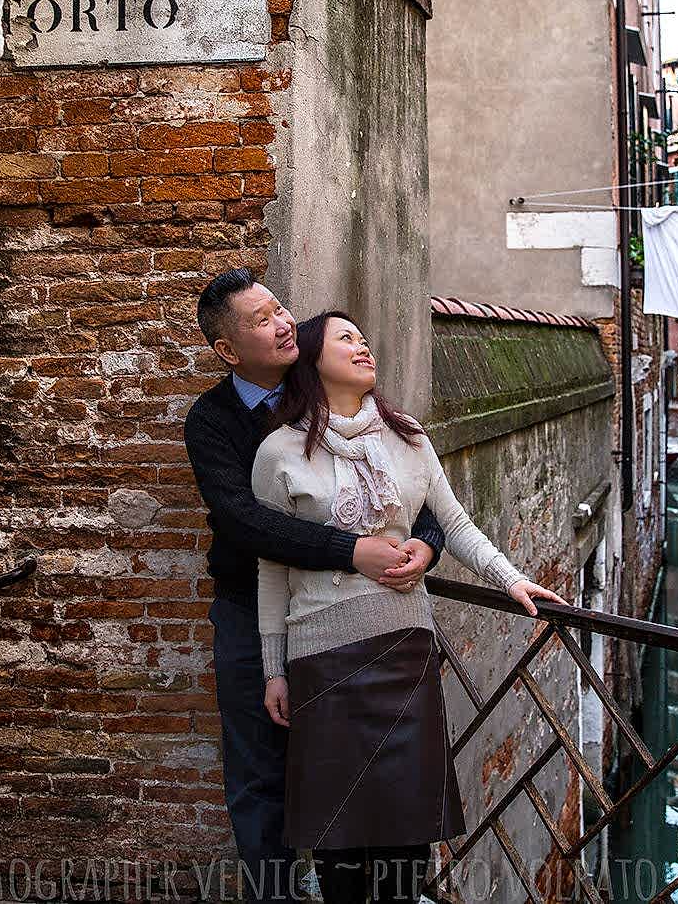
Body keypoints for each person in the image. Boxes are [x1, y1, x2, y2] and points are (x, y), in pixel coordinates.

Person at [252, 311, 567, 904]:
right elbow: (272, 564)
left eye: (364, 337)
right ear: (313, 360)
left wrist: (512, 580)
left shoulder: (409, 437)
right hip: (321, 659)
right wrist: (274, 667)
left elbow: (455, 524)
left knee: (406, 833)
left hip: (404, 651)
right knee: (337, 834)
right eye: (345, 338)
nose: (363, 345)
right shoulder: (279, 452)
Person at [183, 269, 451, 903]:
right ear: (228, 350)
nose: (280, 325)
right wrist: (350, 550)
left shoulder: (340, 397)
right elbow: (248, 524)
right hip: (253, 614)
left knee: (360, 776)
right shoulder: (213, 421)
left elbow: (420, 491)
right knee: (260, 773)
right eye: (260, 321)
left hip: (354, 625)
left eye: (280, 311)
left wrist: (427, 546)